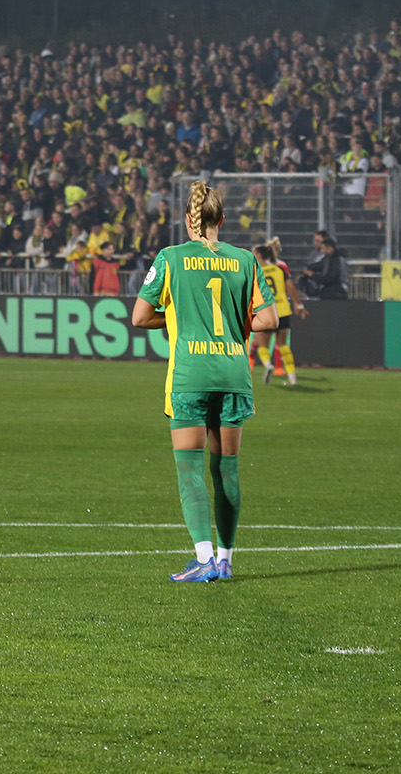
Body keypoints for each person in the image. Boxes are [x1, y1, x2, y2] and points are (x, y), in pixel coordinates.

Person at [131, 180, 277, 583]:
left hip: (190, 375)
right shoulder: (245, 260)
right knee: (226, 468)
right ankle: (227, 559)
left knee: (189, 468)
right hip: (233, 373)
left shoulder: (171, 257)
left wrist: (177, 317)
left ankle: (203, 559)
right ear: (222, 220)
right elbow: (269, 321)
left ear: (187, 220)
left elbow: (140, 317)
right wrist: (232, 324)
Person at [250, 241, 308, 385]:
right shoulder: (279, 270)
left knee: (262, 344)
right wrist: (299, 305)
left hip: (265, 311)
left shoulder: (255, 272)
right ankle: (292, 378)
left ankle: (268, 365)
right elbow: (291, 287)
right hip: (282, 310)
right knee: (283, 344)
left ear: (258, 256)